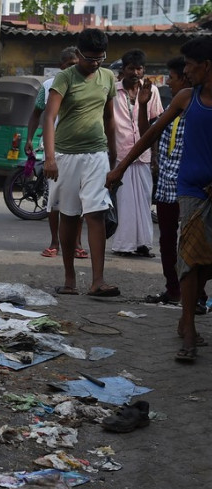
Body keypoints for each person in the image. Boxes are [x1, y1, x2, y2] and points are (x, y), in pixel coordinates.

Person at [108, 37, 212, 362]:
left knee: (204, 263)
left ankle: (188, 320)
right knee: (190, 261)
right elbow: (149, 135)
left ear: (206, 66)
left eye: (190, 66)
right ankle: (189, 332)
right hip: (191, 192)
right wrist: (120, 168)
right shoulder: (184, 98)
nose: (186, 71)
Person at [41, 28, 119, 297]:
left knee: (96, 213)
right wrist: (49, 157)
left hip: (97, 154)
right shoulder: (64, 78)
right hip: (66, 156)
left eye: (100, 58)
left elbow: (109, 118)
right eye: (89, 58)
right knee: (70, 216)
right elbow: (49, 117)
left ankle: (98, 281)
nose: (95, 63)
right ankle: (70, 279)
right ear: (78, 53)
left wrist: (114, 153)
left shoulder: (108, 77)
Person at [25, 46, 87, 260]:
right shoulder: (49, 85)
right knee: (53, 200)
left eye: (77, 63)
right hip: (54, 150)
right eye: (70, 64)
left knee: (79, 200)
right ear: (62, 66)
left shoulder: (86, 84)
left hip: (80, 149)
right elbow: (36, 115)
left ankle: (77, 243)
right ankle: (54, 243)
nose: (74, 67)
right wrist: (29, 139)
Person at [139, 57, 190, 305]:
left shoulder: (199, 111)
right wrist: (142, 105)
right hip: (167, 186)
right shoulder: (171, 110)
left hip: (192, 187)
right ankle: (173, 290)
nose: (168, 82)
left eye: (172, 77)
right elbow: (147, 134)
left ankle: (196, 296)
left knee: (191, 244)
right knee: (167, 241)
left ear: (187, 78)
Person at [109, 50, 163, 257]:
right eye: (131, 68)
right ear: (123, 70)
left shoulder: (153, 92)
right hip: (120, 153)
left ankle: (143, 244)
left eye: (139, 68)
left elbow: (155, 125)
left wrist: (155, 156)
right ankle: (124, 245)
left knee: (143, 201)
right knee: (123, 202)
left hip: (143, 155)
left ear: (144, 70)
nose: (135, 72)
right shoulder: (112, 91)